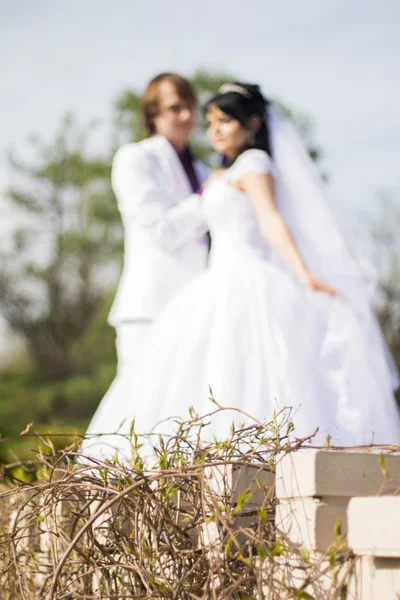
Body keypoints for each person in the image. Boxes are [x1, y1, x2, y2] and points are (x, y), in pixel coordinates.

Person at [116, 81, 400, 453]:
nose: (212, 129)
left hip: (243, 279)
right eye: (210, 121)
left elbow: (270, 219)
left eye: (225, 121)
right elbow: (162, 229)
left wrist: (302, 272)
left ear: (251, 125)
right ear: (153, 114)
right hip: (197, 289)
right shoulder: (178, 165)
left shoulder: (250, 164)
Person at [82, 73, 210, 459]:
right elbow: (162, 229)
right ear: (153, 114)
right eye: (176, 107)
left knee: (184, 420)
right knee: (137, 416)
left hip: (198, 308)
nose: (187, 116)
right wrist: (214, 195)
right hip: (150, 308)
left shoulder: (204, 170)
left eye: (191, 107)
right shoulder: (135, 158)